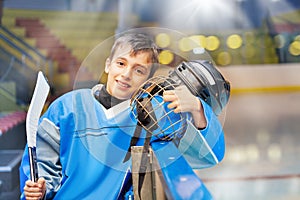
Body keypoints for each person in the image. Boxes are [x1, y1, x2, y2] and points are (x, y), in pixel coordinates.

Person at [19, 31, 226, 199]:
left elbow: (209, 156)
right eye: (121, 64)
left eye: (139, 70)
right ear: (108, 64)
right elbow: (41, 162)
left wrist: (198, 108)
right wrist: (41, 190)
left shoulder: (153, 114)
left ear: (148, 78)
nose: (126, 75)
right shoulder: (67, 107)